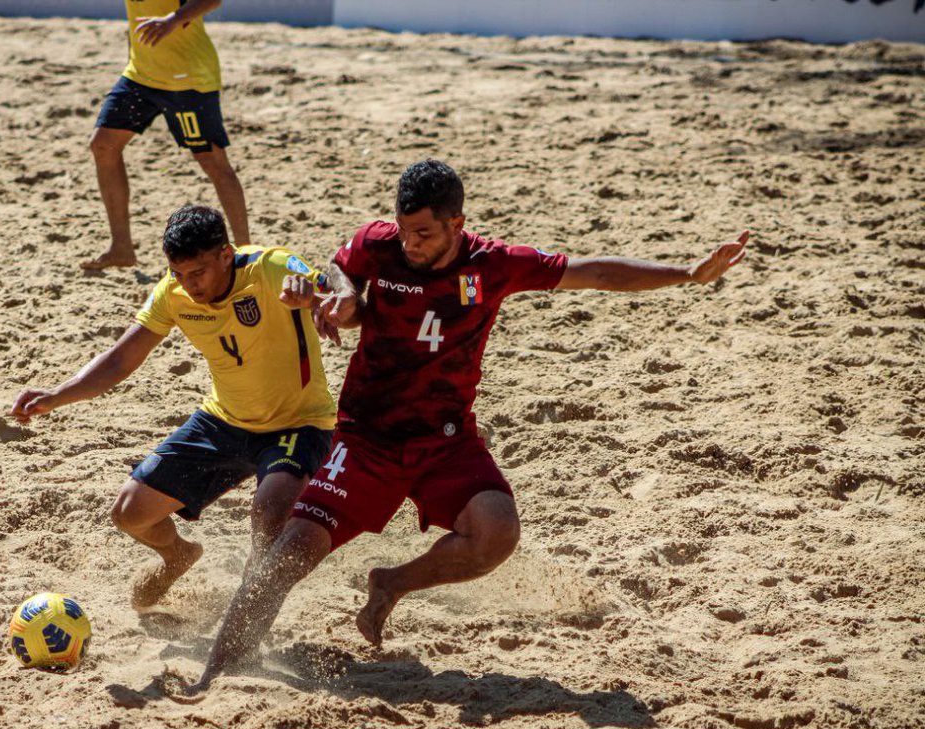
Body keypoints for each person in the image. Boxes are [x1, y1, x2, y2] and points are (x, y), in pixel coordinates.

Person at [189, 158, 749, 691]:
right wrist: (342, 296)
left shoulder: (494, 265)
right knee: (291, 551)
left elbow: (594, 272)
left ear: (459, 223)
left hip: (445, 440)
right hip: (366, 438)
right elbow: (341, 269)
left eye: (425, 234)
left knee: (496, 532)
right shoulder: (377, 244)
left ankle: (392, 582)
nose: (411, 244)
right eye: (406, 231)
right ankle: (218, 671)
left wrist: (688, 274)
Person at [11, 205, 339, 607]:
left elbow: (338, 288)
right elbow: (119, 359)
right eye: (179, 273)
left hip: (299, 424)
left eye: (197, 273)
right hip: (225, 420)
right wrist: (57, 395)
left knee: (268, 510)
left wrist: (318, 299)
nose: (188, 284)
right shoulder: (174, 291)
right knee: (129, 513)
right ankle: (177, 555)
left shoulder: (270, 267)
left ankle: (249, 611)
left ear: (225, 254)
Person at [81, 0, 249, 270]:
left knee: (212, 162)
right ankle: (121, 247)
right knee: (103, 145)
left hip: (189, 77)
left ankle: (246, 253)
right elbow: (138, 21)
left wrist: (173, 20)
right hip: (140, 75)